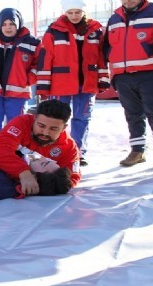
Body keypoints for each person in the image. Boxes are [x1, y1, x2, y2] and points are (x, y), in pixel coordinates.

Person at [103, 0, 153, 167]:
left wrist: (148, 49)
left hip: (151, 73)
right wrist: (112, 57)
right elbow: (106, 46)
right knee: (132, 114)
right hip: (123, 76)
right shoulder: (114, 18)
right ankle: (137, 151)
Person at [37, 0, 109, 166]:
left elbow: (101, 57)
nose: (74, 16)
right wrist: (43, 85)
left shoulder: (95, 30)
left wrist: (103, 78)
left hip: (87, 83)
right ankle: (56, 151)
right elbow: (45, 58)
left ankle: (78, 152)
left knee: (82, 118)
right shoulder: (54, 31)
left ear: (84, 11)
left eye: (77, 12)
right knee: (56, 120)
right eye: (70, 13)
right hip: (61, 84)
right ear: (64, 12)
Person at [0, 8, 40, 138]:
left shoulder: (32, 43)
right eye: (4, 24)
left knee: (16, 126)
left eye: (12, 24)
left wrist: (27, 80)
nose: (8, 27)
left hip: (18, 93)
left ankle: (14, 151)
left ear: (18, 24)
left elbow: (40, 65)